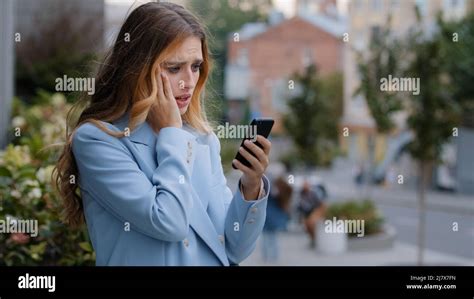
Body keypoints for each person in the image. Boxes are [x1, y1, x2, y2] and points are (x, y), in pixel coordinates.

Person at [54, 2, 272, 266]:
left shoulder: (201, 139)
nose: (188, 82)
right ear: (137, 67)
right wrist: (171, 133)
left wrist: (250, 187)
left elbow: (234, 247)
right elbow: (169, 223)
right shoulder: (98, 140)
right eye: (173, 68)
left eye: (195, 66)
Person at [261, 176, 292, 263]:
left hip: (267, 218)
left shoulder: (272, 193)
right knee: (273, 238)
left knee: (266, 238)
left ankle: (266, 257)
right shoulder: (282, 195)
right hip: (274, 219)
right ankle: (273, 257)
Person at [297, 180, 326, 248]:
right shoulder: (301, 194)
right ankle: (313, 239)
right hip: (307, 213)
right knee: (307, 226)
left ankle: (316, 240)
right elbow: (300, 207)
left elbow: (321, 204)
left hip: (315, 210)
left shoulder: (313, 193)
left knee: (311, 223)